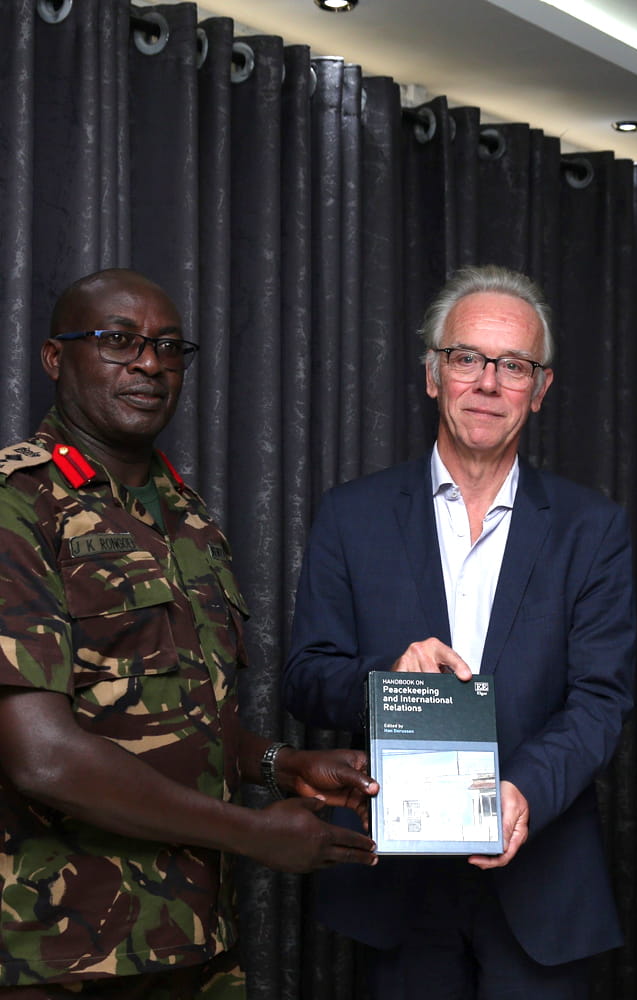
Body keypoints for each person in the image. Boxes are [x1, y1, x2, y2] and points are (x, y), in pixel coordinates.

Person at [0, 268, 379, 1000]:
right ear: (54, 358)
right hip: (59, 955)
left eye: (169, 347)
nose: (149, 363)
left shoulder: (189, 518)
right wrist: (254, 832)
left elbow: (181, 715)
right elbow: (41, 758)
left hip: (196, 944)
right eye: (117, 341)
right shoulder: (19, 507)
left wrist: (280, 764)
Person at [282, 264, 636, 999]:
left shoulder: (592, 528)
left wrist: (525, 794)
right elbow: (305, 676)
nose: (487, 382)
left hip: (539, 879)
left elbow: (601, 700)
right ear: (432, 376)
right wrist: (387, 680)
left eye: (514, 366)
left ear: (539, 391)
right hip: (396, 883)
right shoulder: (352, 515)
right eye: (467, 358)